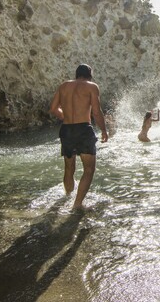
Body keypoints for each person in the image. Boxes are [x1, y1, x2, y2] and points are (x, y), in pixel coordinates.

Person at [49, 64, 108, 209]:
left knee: (69, 168)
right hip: (83, 129)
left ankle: (67, 196)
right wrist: (104, 130)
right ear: (89, 75)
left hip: (66, 129)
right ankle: (77, 204)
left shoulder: (64, 86)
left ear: (76, 74)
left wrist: (66, 117)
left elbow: (53, 108)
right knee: (89, 169)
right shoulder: (91, 86)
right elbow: (96, 112)